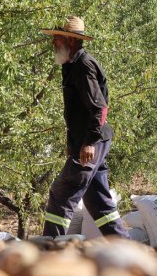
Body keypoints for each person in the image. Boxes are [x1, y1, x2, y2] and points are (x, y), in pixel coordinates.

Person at [40, 16, 129, 238]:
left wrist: (89, 143)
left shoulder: (83, 65)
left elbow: (99, 108)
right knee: (98, 203)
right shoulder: (71, 65)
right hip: (89, 141)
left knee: (61, 193)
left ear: (70, 41)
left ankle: (50, 249)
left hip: (93, 141)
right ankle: (126, 248)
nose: (53, 43)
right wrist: (75, 144)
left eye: (57, 38)